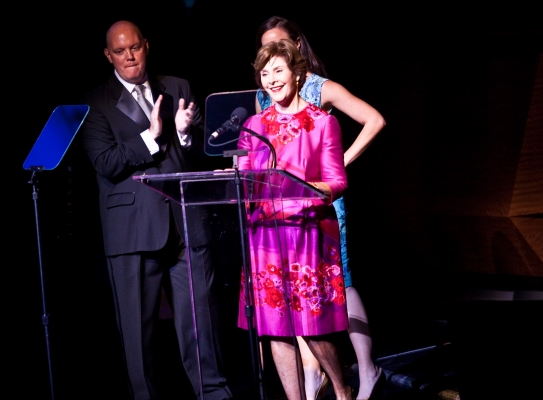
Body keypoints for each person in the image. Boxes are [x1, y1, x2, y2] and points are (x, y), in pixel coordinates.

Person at [79, 20, 232, 400]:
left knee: (200, 325)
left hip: (184, 224)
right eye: (120, 51)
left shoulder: (177, 87)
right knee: (138, 335)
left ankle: (214, 394)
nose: (129, 56)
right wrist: (152, 135)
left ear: (146, 45)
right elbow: (107, 162)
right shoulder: (95, 103)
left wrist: (183, 132)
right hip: (132, 230)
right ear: (107, 55)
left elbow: (200, 155)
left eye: (135, 47)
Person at [254, 16, 387, 400]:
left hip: (321, 201)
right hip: (280, 213)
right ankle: (313, 381)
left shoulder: (318, 87)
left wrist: (337, 163)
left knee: (337, 284)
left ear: (296, 45)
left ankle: (366, 368)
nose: (272, 59)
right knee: (291, 297)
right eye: (266, 51)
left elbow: (373, 119)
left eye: (280, 46)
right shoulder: (263, 94)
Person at [236, 38, 354, 400]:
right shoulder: (253, 126)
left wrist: (302, 186)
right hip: (265, 236)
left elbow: (338, 182)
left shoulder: (322, 123)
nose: (270, 79)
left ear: (297, 74)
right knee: (275, 329)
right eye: (264, 73)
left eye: (278, 70)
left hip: (307, 234)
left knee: (312, 327)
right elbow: (242, 180)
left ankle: (341, 388)